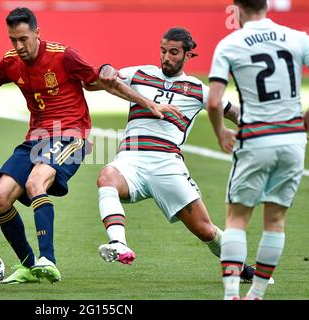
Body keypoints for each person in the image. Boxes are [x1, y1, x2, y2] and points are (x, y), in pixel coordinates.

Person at [0, 7, 181, 285]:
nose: (19, 46)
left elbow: (106, 83)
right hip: (36, 139)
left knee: (36, 182)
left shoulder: (64, 56)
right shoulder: (10, 62)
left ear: (37, 33)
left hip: (71, 135)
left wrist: (150, 103)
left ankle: (48, 261)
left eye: (24, 39)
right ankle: (28, 265)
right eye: (13, 40)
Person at [90, 27, 257, 282]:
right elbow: (97, 82)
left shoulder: (198, 90)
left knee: (205, 230)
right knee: (106, 177)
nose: (166, 57)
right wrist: (105, 69)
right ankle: (118, 243)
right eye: (163, 51)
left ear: (188, 55)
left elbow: (233, 112)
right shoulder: (140, 73)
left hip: (167, 164)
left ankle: (242, 269)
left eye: (174, 52)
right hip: (131, 159)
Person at [207, 0, 309, 300]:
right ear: (266, 6)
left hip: (255, 138)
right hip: (292, 140)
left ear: (236, 9)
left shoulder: (230, 43)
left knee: (237, 218)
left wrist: (220, 131)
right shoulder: (297, 37)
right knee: (275, 220)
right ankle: (257, 294)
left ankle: (230, 295)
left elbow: (214, 102)